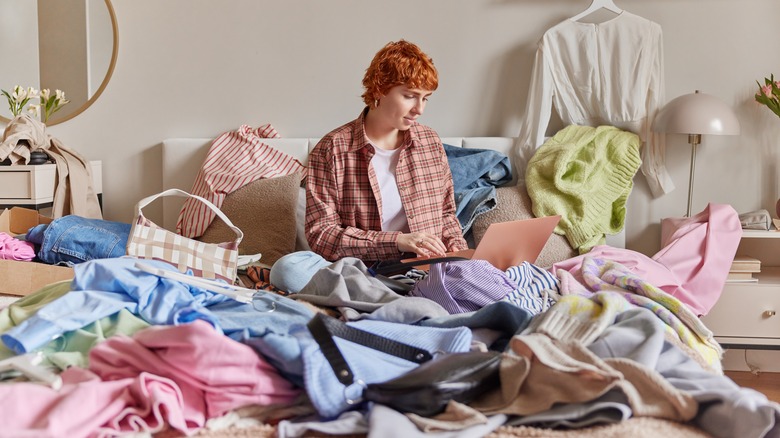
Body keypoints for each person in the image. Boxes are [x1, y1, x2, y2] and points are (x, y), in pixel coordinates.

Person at [270, 40, 468, 293]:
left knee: (494, 276)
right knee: (289, 270)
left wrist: (458, 252)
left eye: (425, 99)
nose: (419, 109)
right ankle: (400, 300)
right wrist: (398, 241)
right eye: (409, 96)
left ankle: (395, 300)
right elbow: (322, 235)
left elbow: (446, 215)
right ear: (379, 90)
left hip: (425, 272)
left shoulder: (430, 143)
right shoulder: (332, 149)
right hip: (359, 271)